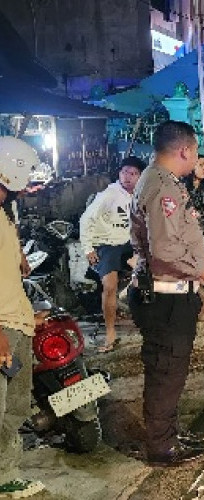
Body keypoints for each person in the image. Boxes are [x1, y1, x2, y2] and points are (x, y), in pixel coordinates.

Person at [128, 121, 204, 466]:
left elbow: (169, 244)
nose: (196, 156)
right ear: (184, 150)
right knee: (167, 372)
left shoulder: (156, 180)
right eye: (196, 150)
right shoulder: (163, 187)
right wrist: (202, 271)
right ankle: (161, 447)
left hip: (167, 290)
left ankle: (165, 434)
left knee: (169, 370)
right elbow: (165, 251)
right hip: (165, 297)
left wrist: (201, 260)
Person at [0, 137, 46, 498]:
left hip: (16, 323)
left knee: (14, 406)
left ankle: (5, 471)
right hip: (3, 331)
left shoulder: (4, 211)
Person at [80, 156, 145, 353]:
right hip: (106, 245)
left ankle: (138, 306)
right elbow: (86, 219)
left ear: (140, 177)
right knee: (109, 287)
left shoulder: (139, 195)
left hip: (127, 243)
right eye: (124, 172)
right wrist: (88, 248)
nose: (128, 177)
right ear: (119, 174)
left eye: (133, 173)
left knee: (151, 270)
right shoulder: (109, 194)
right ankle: (110, 333)